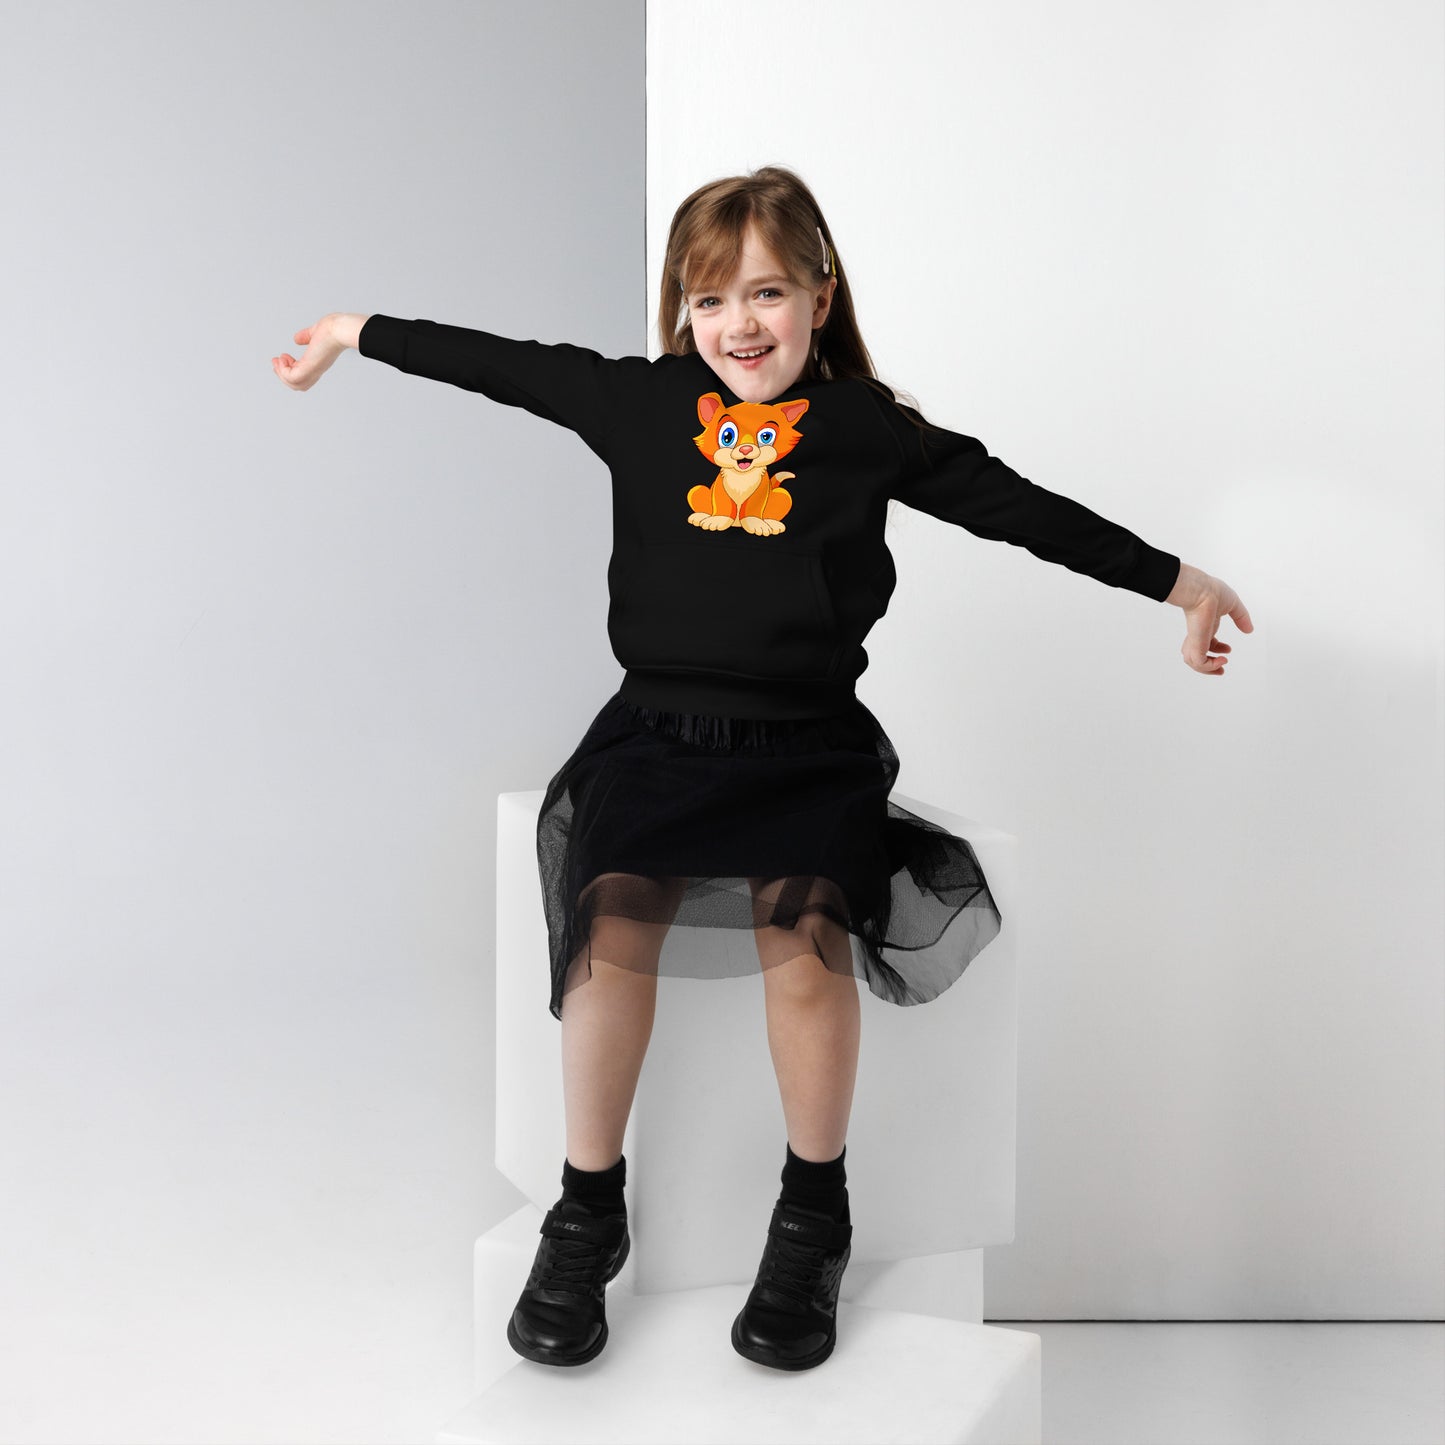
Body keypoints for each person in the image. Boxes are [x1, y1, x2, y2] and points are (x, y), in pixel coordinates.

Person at [272, 164, 1252, 1374]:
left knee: (806, 950)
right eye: (709, 299)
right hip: (654, 739)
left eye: (767, 292)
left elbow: (1015, 507)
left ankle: (811, 1211)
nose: (738, 323)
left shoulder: (864, 429)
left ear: (819, 298)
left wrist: (1177, 583)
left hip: (805, 746)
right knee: (605, 933)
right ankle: (586, 1206)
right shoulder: (640, 402)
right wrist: (353, 331)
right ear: (681, 310)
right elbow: (502, 364)